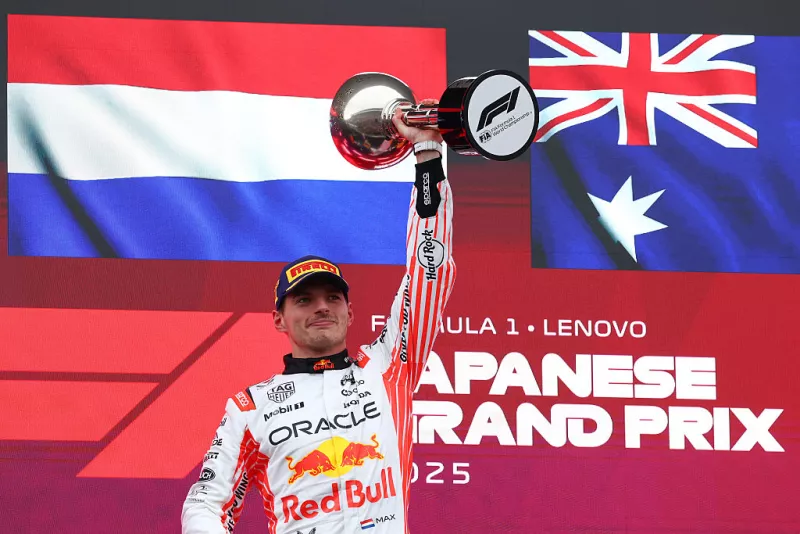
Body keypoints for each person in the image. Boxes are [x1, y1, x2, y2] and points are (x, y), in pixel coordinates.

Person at [182, 102, 456, 534]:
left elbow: (429, 270)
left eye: (332, 297)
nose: (322, 307)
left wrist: (426, 155)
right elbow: (205, 505)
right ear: (279, 319)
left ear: (351, 312)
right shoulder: (250, 408)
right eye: (304, 301)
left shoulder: (389, 368)